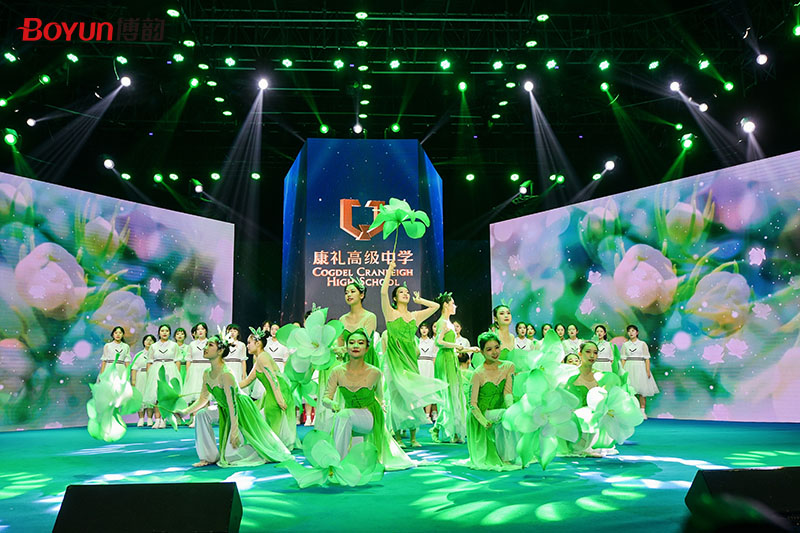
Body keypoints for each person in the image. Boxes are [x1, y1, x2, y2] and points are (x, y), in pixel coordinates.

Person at [178, 333, 292, 468]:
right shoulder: (207, 373)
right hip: (223, 408)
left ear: (220, 351)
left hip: (240, 409)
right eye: (206, 344)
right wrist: (184, 412)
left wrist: (234, 431)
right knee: (202, 414)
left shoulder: (226, 374)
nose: (205, 348)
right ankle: (208, 457)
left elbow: (233, 405)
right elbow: (203, 399)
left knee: (231, 456)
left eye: (210, 345)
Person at [324, 329, 414, 470]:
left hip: (371, 416)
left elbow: (380, 398)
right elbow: (326, 397)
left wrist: (383, 409)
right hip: (350, 415)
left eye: (360, 343)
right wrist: (331, 404)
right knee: (343, 416)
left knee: (344, 415)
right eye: (351, 342)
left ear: (367, 348)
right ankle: (340, 461)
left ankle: (338, 465)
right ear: (346, 347)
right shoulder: (337, 371)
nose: (355, 346)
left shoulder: (375, 372)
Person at [380, 260, 445, 447]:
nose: (405, 294)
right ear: (395, 298)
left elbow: (435, 307)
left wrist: (420, 301)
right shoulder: (390, 313)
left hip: (410, 361)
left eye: (407, 292)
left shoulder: (414, 316)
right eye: (401, 292)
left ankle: (414, 437)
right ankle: (398, 437)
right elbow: (383, 292)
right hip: (394, 362)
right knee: (397, 397)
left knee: (413, 397)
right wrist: (390, 270)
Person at [465, 332, 518, 470]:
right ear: (482, 352)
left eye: (497, 347)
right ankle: (503, 457)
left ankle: (508, 456)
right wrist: (483, 421)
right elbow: (472, 404)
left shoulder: (509, 366)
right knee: (503, 415)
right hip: (480, 415)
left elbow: (508, 392)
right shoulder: (478, 373)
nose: (494, 352)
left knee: (510, 415)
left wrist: (511, 410)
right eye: (489, 349)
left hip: (499, 410)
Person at [239, 327, 297, 449]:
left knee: (269, 416)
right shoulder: (259, 358)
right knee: (258, 416)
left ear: (258, 343)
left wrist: (279, 398)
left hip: (278, 391)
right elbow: (248, 381)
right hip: (271, 392)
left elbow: (273, 379)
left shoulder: (263, 357)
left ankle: (275, 447)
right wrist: (230, 385)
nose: (247, 345)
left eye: (249, 342)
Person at [431, 292, 475, 444]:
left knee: (455, 395)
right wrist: (456, 345)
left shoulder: (449, 323)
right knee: (447, 396)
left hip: (451, 358)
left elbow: (454, 347)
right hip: (444, 359)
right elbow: (438, 342)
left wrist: (470, 349)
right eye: (452, 303)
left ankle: (455, 432)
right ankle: (439, 429)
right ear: (446, 305)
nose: (455, 306)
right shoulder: (442, 322)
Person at [144, 324, 180, 429]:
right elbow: (149, 361)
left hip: (170, 370)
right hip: (156, 370)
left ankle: (164, 419)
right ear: (159, 333)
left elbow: (177, 360)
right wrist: (149, 375)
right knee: (156, 396)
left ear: (169, 333)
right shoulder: (153, 346)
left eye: (167, 331)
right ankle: (157, 420)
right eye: (162, 331)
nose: (164, 333)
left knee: (166, 397)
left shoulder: (174, 345)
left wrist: (176, 374)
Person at [621, 325, 659, 419]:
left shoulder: (642, 344)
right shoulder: (625, 345)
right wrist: (622, 371)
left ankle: (642, 412)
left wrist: (647, 370)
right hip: (629, 367)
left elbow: (647, 358)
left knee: (642, 391)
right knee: (630, 391)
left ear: (637, 332)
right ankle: (631, 412)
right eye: (629, 331)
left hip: (640, 367)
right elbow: (623, 359)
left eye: (633, 330)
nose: (631, 333)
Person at [184, 323, 210, 428]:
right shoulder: (192, 344)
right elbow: (188, 359)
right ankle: (195, 419)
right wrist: (188, 373)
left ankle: (206, 420)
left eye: (202, 329)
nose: (200, 331)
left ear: (206, 331)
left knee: (206, 395)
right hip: (194, 370)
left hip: (207, 368)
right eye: (198, 329)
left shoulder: (210, 342)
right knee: (196, 396)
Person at [130, 334, 155, 426]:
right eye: (147, 340)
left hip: (151, 377)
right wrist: (133, 381)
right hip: (141, 377)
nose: (149, 342)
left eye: (151, 340)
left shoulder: (155, 354)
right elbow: (134, 368)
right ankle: (141, 418)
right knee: (140, 397)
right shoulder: (139, 355)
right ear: (144, 342)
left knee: (150, 398)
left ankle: (149, 418)